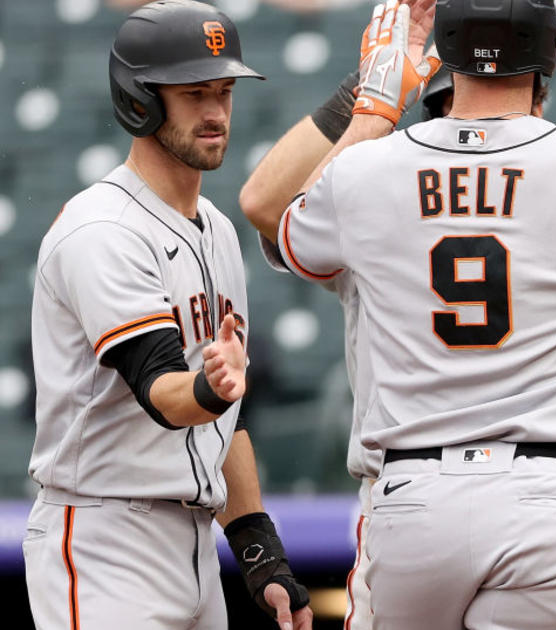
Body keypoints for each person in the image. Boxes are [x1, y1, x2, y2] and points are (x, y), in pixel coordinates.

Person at [263, 0, 556, 625]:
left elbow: (288, 241)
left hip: (413, 493)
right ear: (548, 55)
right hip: (553, 494)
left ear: (449, 46)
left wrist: (371, 115)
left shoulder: (367, 169)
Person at [23, 2, 313, 629]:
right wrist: (212, 384)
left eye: (225, 92)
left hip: (194, 545)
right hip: (103, 538)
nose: (215, 112)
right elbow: (166, 393)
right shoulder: (101, 228)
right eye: (193, 94)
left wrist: (260, 555)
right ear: (140, 100)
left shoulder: (218, 231)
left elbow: (224, 424)